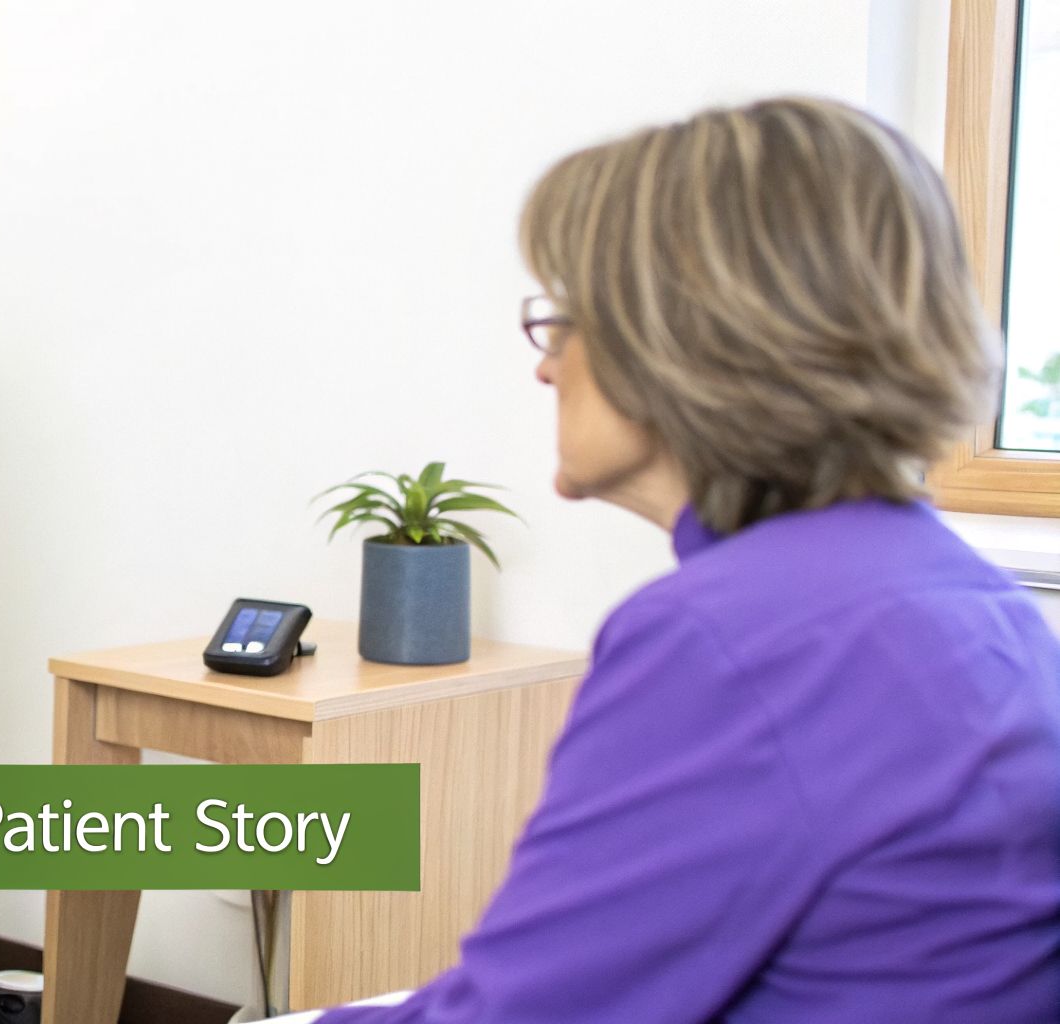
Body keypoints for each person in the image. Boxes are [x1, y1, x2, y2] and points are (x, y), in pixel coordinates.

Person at [318, 97, 1060, 1021]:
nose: (546, 367)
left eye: (567, 320)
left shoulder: (737, 639)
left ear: (679, 335)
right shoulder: (966, 596)